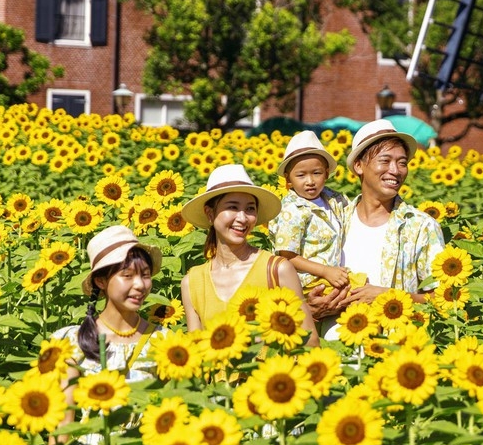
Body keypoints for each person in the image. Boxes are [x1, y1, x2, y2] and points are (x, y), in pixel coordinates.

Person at [307, 119, 444, 328]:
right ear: (359, 166)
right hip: (327, 354)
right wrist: (311, 310)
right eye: (385, 160)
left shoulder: (421, 227)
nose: (396, 171)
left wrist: (389, 297)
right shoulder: (332, 220)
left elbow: (443, 301)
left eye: (402, 162)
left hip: (389, 353)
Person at [51, 225, 164, 445]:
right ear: (101, 281)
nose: (140, 285)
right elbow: (63, 425)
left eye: (145, 275)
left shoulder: (163, 342)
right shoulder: (72, 341)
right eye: (127, 276)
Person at [179, 164, 318, 344]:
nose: (243, 218)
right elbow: (195, 349)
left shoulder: (277, 269)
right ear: (210, 213)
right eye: (233, 207)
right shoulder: (193, 282)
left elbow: (310, 339)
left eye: (250, 209)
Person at [270, 130, 352, 294]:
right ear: (288, 179)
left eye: (317, 173)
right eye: (301, 175)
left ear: (326, 173)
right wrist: (325, 271)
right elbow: (287, 255)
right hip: (307, 283)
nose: (310, 181)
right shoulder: (291, 209)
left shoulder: (333, 199)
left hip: (330, 277)